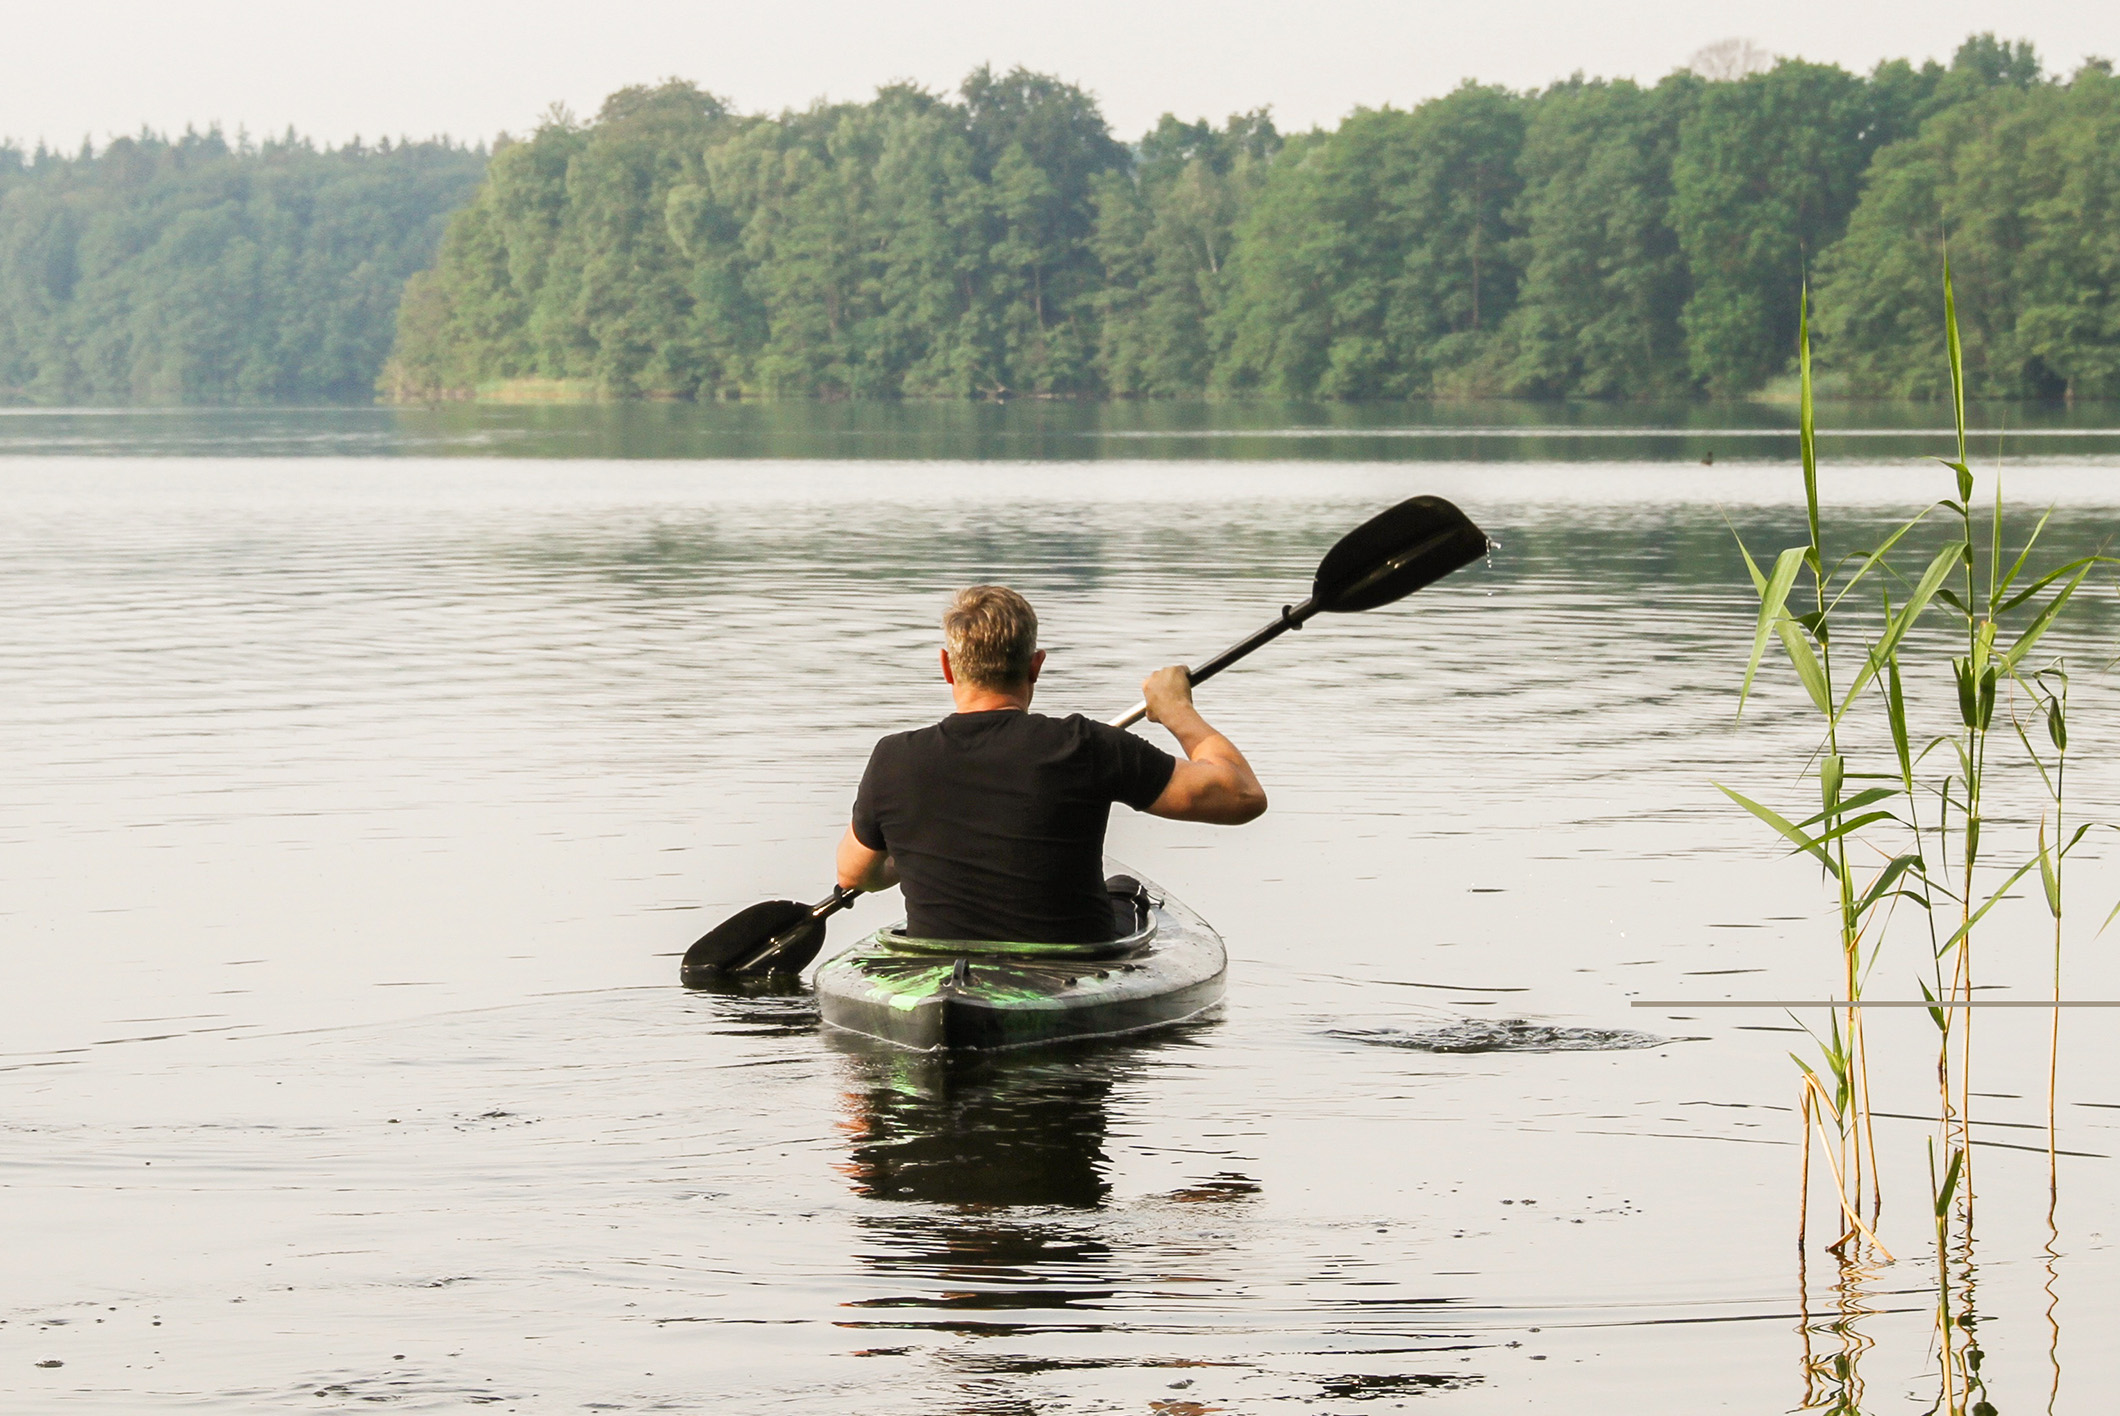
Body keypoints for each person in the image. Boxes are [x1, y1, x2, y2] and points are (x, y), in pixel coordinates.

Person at [835, 585, 1267, 943]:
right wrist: (1177, 711)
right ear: (1036, 665)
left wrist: (912, 852)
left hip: (942, 966)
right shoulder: (1084, 745)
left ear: (947, 667)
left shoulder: (893, 757)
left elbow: (856, 874)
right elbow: (1242, 795)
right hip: (1071, 961)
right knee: (1128, 896)